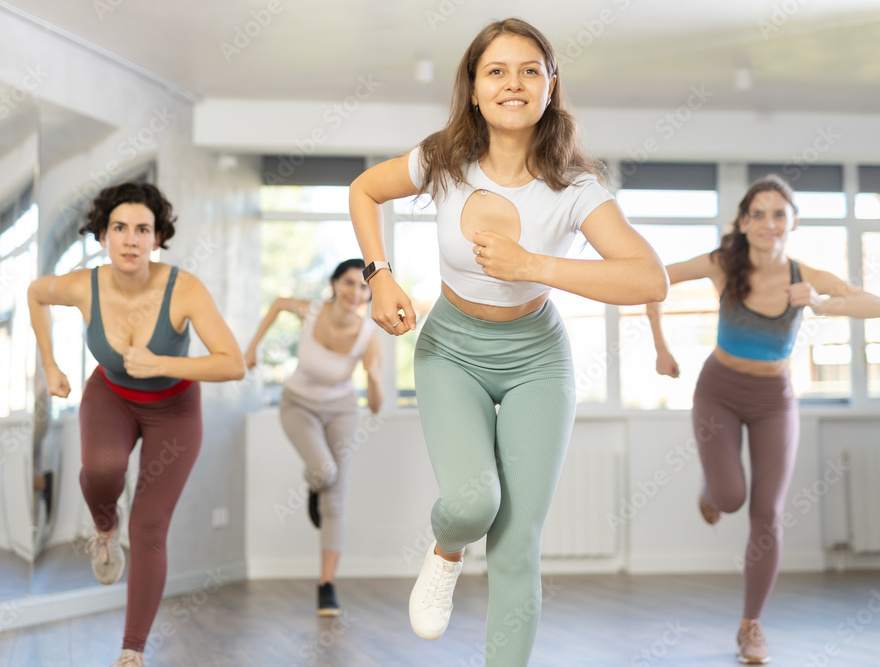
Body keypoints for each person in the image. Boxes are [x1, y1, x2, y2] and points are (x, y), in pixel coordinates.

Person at [348, 18, 667, 666]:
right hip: (451, 351)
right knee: (471, 503)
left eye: (530, 70)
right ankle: (445, 550)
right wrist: (380, 275)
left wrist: (535, 267)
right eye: (496, 70)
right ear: (473, 88)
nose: (513, 83)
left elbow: (649, 277)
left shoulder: (576, 188)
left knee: (518, 543)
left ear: (551, 86)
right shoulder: (442, 159)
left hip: (537, 360)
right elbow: (364, 190)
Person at [646, 174, 880, 664]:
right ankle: (713, 493)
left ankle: (750, 627)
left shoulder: (804, 275)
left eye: (780, 213)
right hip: (719, 392)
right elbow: (652, 280)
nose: (769, 222)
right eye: (759, 213)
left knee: (767, 513)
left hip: (775, 399)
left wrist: (821, 302)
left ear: (793, 221)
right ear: (744, 222)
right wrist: (661, 347)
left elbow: (872, 304)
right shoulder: (721, 264)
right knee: (731, 496)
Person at [27, 181, 245, 667]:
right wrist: (50, 365)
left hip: (176, 411)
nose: (130, 239)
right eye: (119, 228)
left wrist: (162, 364)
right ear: (103, 235)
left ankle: (132, 651)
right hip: (111, 396)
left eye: (142, 229)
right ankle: (105, 527)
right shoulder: (85, 285)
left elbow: (232, 363)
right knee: (102, 469)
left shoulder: (183, 288)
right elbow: (35, 293)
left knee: (148, 526)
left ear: (157, 238)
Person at [244, 259, 383, 616]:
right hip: (297, 405)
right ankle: (314, 482)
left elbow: (377, 407)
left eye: (364, 287)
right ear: (335, 284)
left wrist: (374, 378)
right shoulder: (311, 311)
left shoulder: (369, 335)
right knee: (324, 471)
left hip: (342, 411)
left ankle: (326, 586)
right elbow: (277, 303)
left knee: (335, 499)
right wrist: (252, 348)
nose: (356, 292)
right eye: (349, 283)